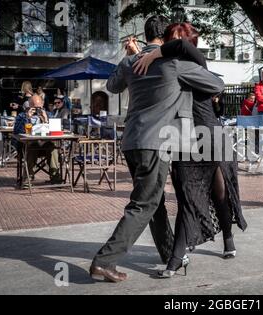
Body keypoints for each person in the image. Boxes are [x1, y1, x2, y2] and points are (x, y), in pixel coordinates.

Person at [90, 16, 226, 283]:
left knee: (154, 201)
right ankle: (104, 261)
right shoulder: (174, 63)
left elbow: (112, 86)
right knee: (144, 204)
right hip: (157, 143)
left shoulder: (131, 62)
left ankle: (167, 252)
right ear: (166, 37)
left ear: (145, 34)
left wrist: (129, 56)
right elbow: (217, 85)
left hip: (131, 141)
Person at [133, 23, 247, 278]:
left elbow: (181, 46)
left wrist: (153, 52)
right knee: (187, 197)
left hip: (209, 133)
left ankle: (227, 237)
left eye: (173, 39)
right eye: (167, 39)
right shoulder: (167, 68)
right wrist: (143, 53)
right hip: (183, 137)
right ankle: (176, 259)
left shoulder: (197, 64)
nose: (169, 43)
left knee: (219, 191)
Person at [13, 95, 61, 184]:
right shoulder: (22, 116)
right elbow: (16, 132)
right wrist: (27, 118)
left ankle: (55, 177)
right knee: (32, 147)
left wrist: (46, 120)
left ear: (42, 104)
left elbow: (56, 130)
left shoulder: (49, 114)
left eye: (39, 107)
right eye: (34, 108)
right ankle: (28, 178)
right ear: (29, 105)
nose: (37, 110)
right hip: (29, 146)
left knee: (53, 149)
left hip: (45, 145)